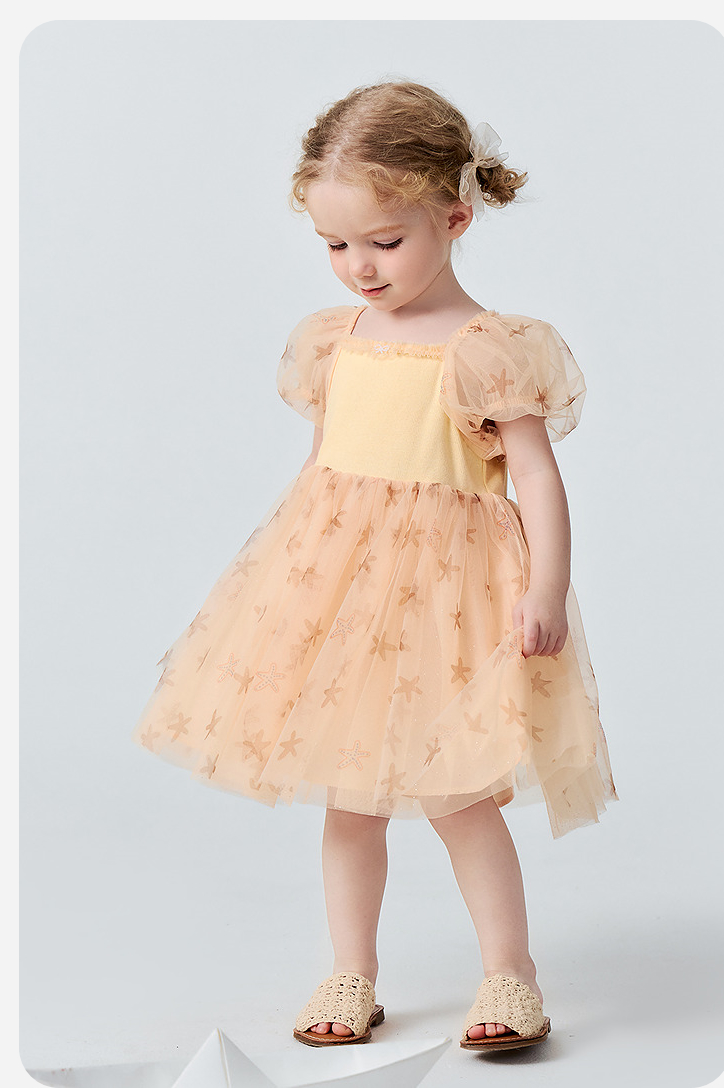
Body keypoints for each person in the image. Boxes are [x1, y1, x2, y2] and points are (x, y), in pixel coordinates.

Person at [131, 79, 617, 1053]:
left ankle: (510, 970)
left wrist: (546, 586)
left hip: (447, 602)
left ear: (454, 217)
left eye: (384, 242)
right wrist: (287, 589)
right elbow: (326, 475)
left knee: (458, 796)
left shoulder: (486, 350)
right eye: (335, 244)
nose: (358, 266)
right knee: (350, 798)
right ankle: (351, 967)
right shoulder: (334, 340)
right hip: (344, 600)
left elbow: (534, 474)